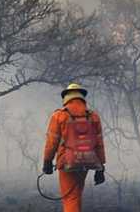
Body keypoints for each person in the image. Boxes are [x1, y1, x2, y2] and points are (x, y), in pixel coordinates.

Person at [42, 83, 106, 212]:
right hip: (87, 161)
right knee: (76, 195)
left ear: (66, 97)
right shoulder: (93, 116)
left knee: (70, 197)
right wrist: (101, 166)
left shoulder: (59, 116)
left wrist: (47, 161)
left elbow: (52, 141)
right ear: (82, 97)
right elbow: (99, 143)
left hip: (67, 162)